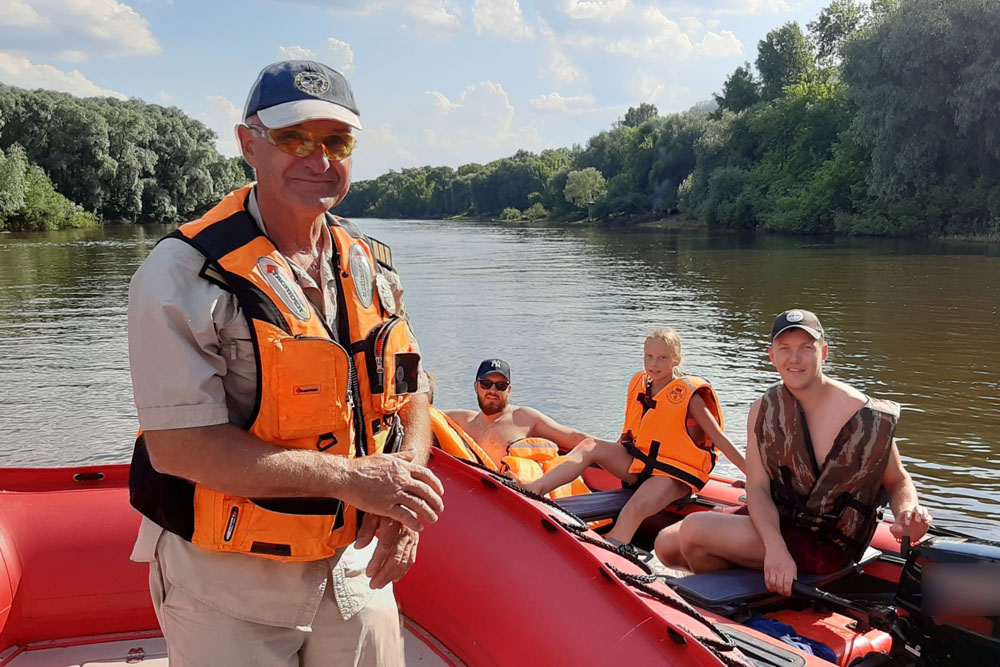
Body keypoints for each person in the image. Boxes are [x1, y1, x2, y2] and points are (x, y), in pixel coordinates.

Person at [126, 60, 444, 666]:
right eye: (293, 138)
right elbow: (180, 448)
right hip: (228, 584)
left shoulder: (371, 264)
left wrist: (402, 493)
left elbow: (411, 389)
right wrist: (357, 481)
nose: (318, 160)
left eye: (336, 141)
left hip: (354, 572)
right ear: (248, 143)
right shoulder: (181, 274)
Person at [654, 309, 932, 597]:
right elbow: (759, 487)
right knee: (665, 543)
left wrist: (907, 512)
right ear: (772, 355)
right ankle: (751, 588)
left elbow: (898, 480)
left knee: (696, 530)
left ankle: (743, 601)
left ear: (823, 352)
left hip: (825, 541)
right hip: (781, 517)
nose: (794, 359)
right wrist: (775, 548)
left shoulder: (866, 416)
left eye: (805, 348)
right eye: (784, 349)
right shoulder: (763, 409)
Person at [522, 328, 746, 546]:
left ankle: (610, 555)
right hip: (640, 463)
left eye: (662, 357)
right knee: (590, 446)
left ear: (676, 360)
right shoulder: (641, 384)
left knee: (633, 509)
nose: (653, 364)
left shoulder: (688, 396)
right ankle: (536, 488)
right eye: (649, 356)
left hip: (674, 474)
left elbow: (719, 438)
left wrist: (753, 476)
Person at [445, 358, 597, 466]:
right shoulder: (462, 420)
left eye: (501, 386)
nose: (492, 390)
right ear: (476, 386)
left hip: (513, 496)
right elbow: (426, 411)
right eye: (486, 384)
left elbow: (572, 436)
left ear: (509, 390)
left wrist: (614, 449)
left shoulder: (524, 418)